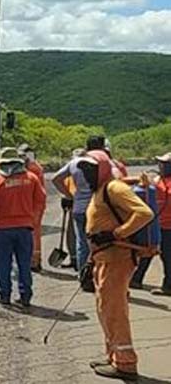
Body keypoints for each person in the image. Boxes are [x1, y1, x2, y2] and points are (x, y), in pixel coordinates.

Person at [81, 149, 153, 381]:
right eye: (84, 169)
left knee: (114, 311)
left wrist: (116, 234)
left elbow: (144, 213)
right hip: (104, 258)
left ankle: (125, 363)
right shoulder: (103, 188)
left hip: (117, 258)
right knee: (105, 309)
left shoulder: (113, 188)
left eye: (90, 169)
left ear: (102, 169)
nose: (86, 174)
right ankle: (113, 354)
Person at [0, 147, 46, 307]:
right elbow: (41, 200)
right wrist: (33, 219)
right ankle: (25, 296)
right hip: (25, 229)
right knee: (24, 263)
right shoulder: (31, 178)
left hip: (2, 229)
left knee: (3, 263)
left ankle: (4, 295)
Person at [52, 142, 97, 281]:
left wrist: (69, 195)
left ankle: (82, 273)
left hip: (78, 207)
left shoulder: (73, 164)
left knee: (81, 242)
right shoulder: (97, 164)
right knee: (96, 241)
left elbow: (55, 179)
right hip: (95, 208)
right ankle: (95, 272)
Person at [18, 143, 46, 272]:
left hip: (33, 204)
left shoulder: (31, 170)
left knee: (32, 232)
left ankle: (34, 261)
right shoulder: (36, 167)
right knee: (35, 231)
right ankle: (35, 259)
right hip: (36, 203)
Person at [149, 153, 171, 296]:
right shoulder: (158, 180)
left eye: (164, 164)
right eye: (160, 163)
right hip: (161, 225)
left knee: (168, 257)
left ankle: (168, 286)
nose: (161, 166)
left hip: (168, 227)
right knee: (165, 256)